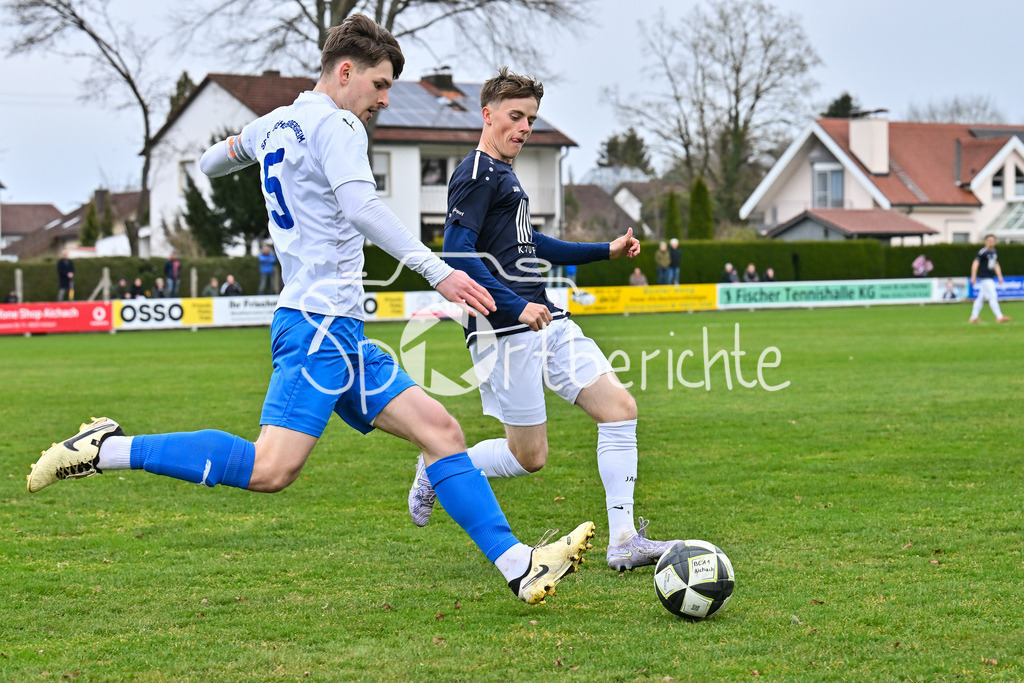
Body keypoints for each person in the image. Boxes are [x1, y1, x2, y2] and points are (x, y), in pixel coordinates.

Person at [28, 16, 593, 608]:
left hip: (338, 332)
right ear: (345, 72)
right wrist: (440, 270)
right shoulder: (339, 123)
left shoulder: (282, 121)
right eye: (378, 85)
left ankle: (518, 565)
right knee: (271, 469)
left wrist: (250, 145)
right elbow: (360, 206)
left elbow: (211, 164)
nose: (381, 100)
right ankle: (105, 448)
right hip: (319, 325)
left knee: (441, 432)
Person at [408, 67, 679, 573]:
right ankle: (437, 467)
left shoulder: (505, 176)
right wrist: (515, 305)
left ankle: (622, 540)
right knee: (529, 457)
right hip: (503, 331)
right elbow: (457, 254)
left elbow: (534, 244)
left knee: (620, 409)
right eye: (515, 116)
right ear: (487, 115)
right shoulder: (475, 175)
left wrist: (606, 249)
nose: (524, 127)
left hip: (546, 320)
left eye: (530, 118)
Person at [969, 234, 1011, 323]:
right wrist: (973, 276)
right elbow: (975, 264)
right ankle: (999, 317)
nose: (992, 243)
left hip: (990, 277)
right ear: (986, 242)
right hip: (985, 278)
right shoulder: (982, 252)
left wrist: (1000, 276)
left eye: (993, 241)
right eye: (990, 241)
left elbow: (996, 264)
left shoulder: (994, 252)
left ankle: (973, 317)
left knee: (980, 298)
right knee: (993, 296)